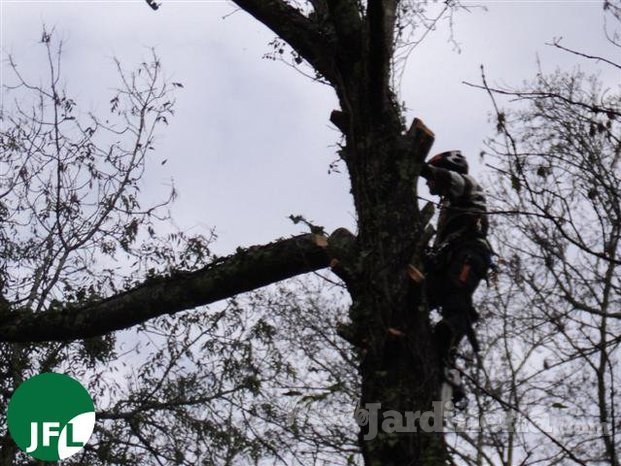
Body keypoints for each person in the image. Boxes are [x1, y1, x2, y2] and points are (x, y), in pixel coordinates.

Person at [419, 150, 492, 403]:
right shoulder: (448, 207)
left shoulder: (467, 185)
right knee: (421, 295)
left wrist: (418, 167)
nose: (429, 185)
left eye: (431, 180)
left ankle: (448, 335)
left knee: (456, 299)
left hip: (469, 254)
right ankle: (442, 359)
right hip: (451, 257)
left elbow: (448, 178)